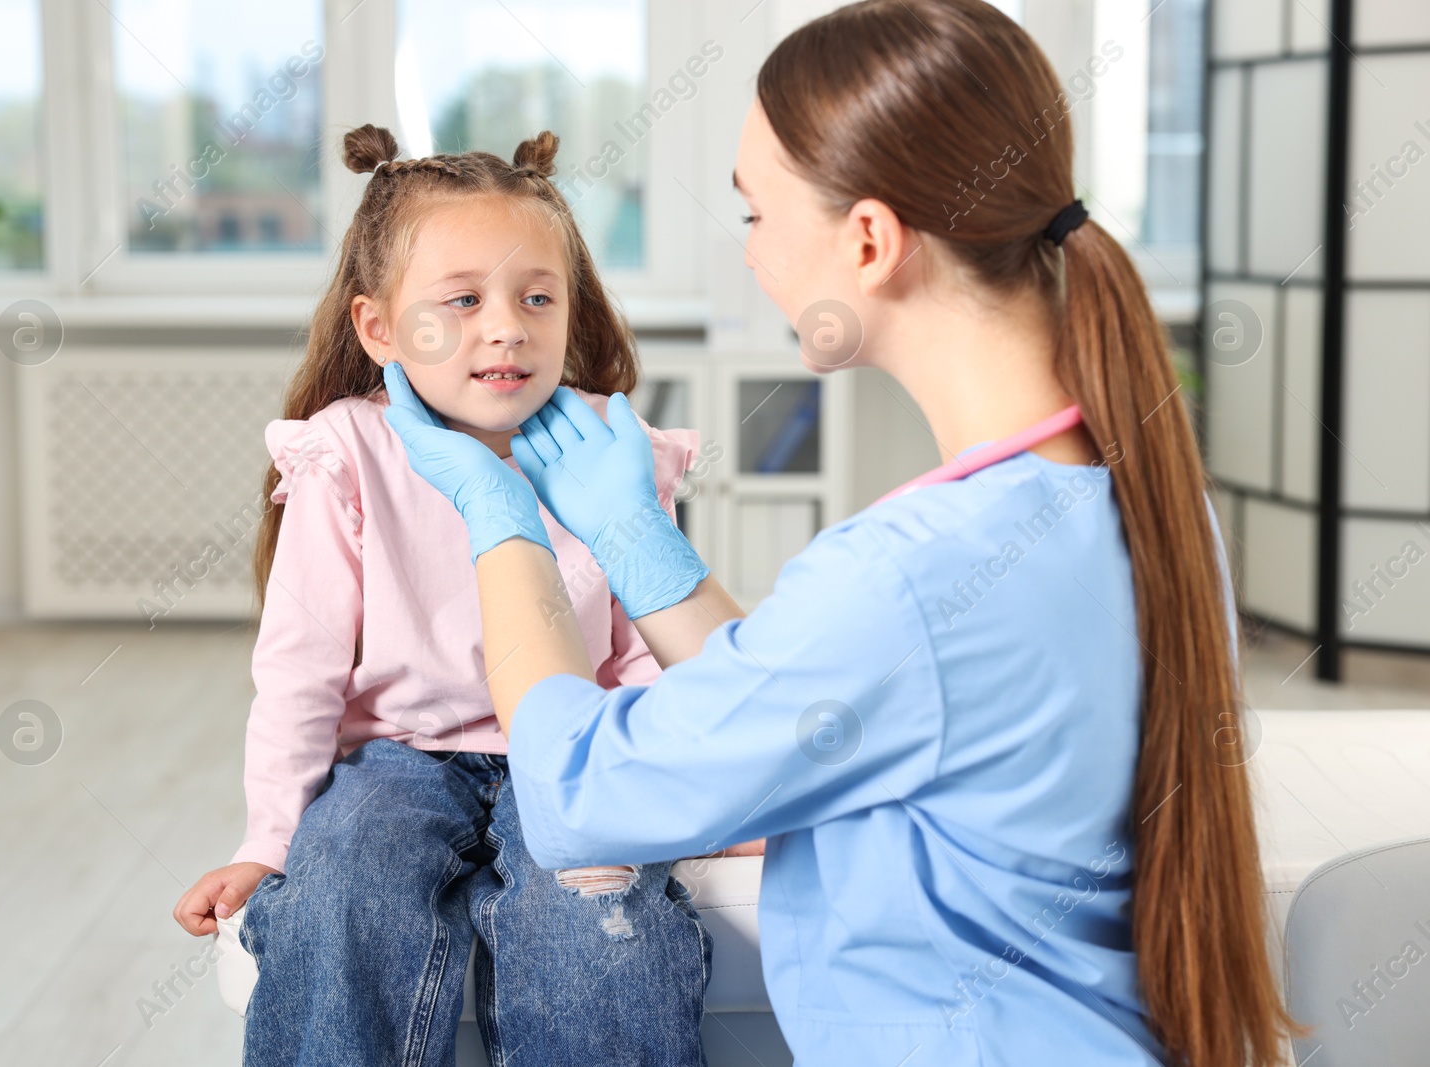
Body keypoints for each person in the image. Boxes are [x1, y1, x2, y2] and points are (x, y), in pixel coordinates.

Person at [379, 1, 1301, 1065]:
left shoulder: (911, 574)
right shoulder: (1140, 502)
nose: (752, 256)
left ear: (868, 238)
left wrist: (501, 521)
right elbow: (806, 698)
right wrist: (638, 545)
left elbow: (581, 796)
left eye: (757, 215)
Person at [172, 124, 726, 1067]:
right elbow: (301, 669)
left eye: (536, 297)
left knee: (590, 905)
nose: (505, 326)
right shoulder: (346, 452)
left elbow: (642, 654)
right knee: (339, 891)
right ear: (378, 327)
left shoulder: (608, 449)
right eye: (461, 300)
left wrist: (709, 807)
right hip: (396, 755)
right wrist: (270, 840)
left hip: (570, 748)